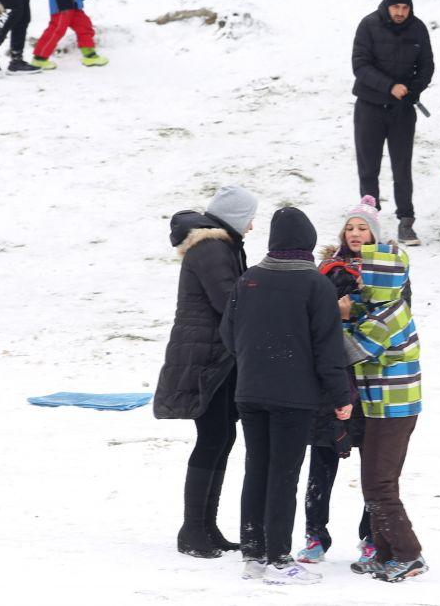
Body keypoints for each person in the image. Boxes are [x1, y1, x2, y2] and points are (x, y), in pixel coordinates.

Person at [220, 206, 352, 585]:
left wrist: (254, 361)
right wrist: (341, 396)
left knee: (256, 469)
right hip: (294, 397)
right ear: (308, 242)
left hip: (250, 391)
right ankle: (279, 558)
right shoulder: (316, 285)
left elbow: (229, 336)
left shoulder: (249, 280)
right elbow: (329, 350)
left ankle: (253, 554)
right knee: (283, 474)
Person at [153, 185, 258, 558]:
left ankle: (206, 526)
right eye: (248, 218)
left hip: (217, 354)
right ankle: (192, 530)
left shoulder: (219, 244)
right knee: (213, 437)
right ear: (234, 216)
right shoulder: (213, 247)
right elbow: (228, 300)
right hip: (206, 356)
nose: (251, 226)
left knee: (222, 437)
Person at [295, 196, 381, 566]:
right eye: (350, 227)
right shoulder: (326, 269)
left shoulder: (388, 270)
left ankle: (372, 535)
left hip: (373, 381)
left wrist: (352, 313)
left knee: (375, 466)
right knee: (322, 458)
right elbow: (310, 315)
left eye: (363, 227)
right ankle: (315, 535)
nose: (356, 233)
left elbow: (391, 317)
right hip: (332, 379)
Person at [344, 214, 427, 583]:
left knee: (379, 483)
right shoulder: (380, 307)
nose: (361, 280)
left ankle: (409, 554)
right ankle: (384, 551)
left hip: (394, 410)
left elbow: (353, 350)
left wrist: (340, 318)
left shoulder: (390, 314)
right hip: (381, 407)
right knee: (375, 481)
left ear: (383, 280)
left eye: (367, 276)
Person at [351, 0, 435, 245]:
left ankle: (406, 221)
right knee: (369, 167)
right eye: (396, 6)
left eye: (405, 7)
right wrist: (390, 86)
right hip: (369, 107)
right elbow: (360, 65)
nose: (400, 12)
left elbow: (427, 66)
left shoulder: (418, 29)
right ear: (387, 5)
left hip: (402, 112)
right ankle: (369, 220)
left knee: (402, 167)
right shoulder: (368, 25)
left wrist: (413, 89)